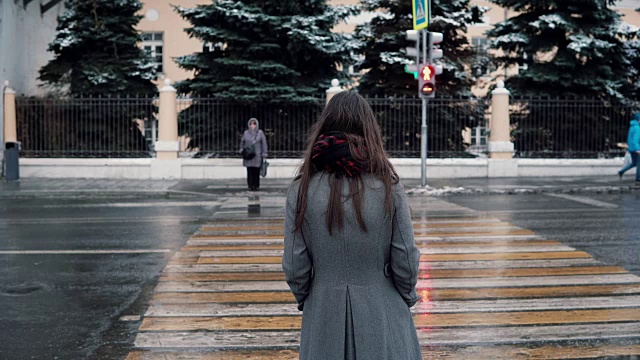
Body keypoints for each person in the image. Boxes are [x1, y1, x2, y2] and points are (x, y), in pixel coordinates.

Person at [282, 91, 422, 360]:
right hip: (383, 313)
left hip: (323, 315)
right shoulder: (387, 185)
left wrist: (310, 297)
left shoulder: (301, 189)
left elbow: (294, 264)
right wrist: (405, 295)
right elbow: (405, 257)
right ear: (369, 128)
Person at [240, 118, 268, 191]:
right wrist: (242, 150)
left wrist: (264, 153)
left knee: (256, 171)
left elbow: (264, 144)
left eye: (254, 123)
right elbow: (242, 142)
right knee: (249, 171)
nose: (252, 125)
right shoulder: (246, 133)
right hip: (248, 156)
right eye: (251, 124)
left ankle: (256, 185)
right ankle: (250, 186)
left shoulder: (260, 133)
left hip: (257, 155)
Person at [618, 112, 640, 182]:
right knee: (639, 163)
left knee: (634, 163)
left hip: (631, 148)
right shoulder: (637, 128)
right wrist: (637, 149)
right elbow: (635, 140)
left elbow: (630, 139)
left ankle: (621, 171)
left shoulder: (632, 126)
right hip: (636, 148)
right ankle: (638, 178)